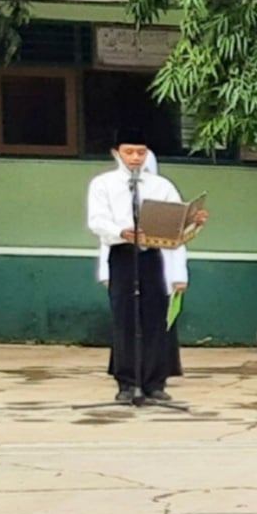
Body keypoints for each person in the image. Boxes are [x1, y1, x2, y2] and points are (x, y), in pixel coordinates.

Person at [85, 130, 194, 409]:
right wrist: (121, 231)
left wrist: (193, 220)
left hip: (153, 254)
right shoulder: (104, 184)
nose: (135, 158)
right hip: (121, 253)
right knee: (125, 318)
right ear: (116, 152)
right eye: (129, 152)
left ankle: (155, 383)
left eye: (141, 152)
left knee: (155, 318)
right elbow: (96, 221)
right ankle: (126, 382)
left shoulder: (161, 186)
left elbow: (176, 228)